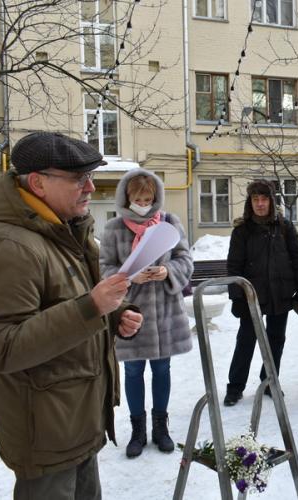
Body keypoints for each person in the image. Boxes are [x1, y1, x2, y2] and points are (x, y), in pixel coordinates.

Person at [0, 132, 143, 499]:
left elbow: (64, 305)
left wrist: (113, 315)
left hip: (75, 419)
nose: (91, 187)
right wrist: (92, 308)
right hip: (46, 432)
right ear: (37, 183)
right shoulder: (6, 244)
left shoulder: (60, 229)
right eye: (79, 179)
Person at [99, 168, 193, 458]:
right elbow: (104, 267)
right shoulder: (114, 228)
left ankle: (160, 427)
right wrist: (129, 278)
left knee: (162, 369)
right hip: (130, 313)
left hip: (164, 311)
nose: (143, 203)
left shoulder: (169, 222)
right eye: (138, 198)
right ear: (127, 197)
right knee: (133, 369)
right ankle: (138, 430)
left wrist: (168, 271)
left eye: (148, 198)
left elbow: (185, 259)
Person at [223, 179, 298, 406]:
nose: (260, 204)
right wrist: (236, 297)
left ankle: (270, 381)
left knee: (276, 340)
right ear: (250, 202)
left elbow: (297, 258)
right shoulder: (242, 231)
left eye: (264, 199)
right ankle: (235, 387)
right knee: (246, 340)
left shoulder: (284, 226)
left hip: (281, 292)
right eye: (255, 199)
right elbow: (234, 266)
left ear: (271, 201)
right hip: (252, 297)